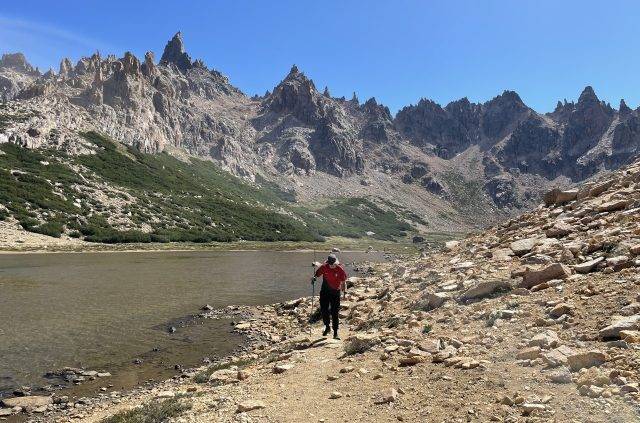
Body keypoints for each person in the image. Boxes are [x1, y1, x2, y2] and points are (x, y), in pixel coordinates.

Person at [312, 253, 347, 339]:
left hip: (335, 292)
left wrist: (344, 293)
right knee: (324, 310)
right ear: (328, 262)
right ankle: (327, 327)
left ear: (336, 262)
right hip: (325, 291)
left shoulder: (340, 269)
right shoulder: (324, 266)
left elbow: (343, 282)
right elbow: (317, 275)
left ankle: (335, 333)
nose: (331, 266)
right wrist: (314, 278)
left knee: (335, 312)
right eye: (330, 264)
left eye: (333, 264)